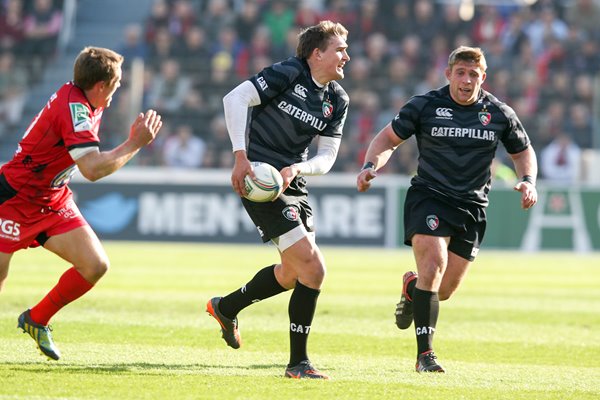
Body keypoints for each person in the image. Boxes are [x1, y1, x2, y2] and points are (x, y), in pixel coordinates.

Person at [356, 46, 538, 373]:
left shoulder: (498, 113)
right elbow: (387, 140)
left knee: (443, 290)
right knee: (434, 265)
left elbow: (523, 152)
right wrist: (371, 165)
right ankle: (425, 355)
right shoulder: (425, 105)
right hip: (430, 195)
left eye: (473, 74)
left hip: (472, 207)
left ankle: (412, 290)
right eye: (461, 73)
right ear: (448, 74)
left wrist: (528, 180)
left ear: (484, 77)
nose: (467, 80)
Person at [206, 20, 350, 380]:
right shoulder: (289, 72)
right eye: (340, 49)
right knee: (313, 269)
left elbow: (328, 156)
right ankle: (298, 363)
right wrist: (241, 157)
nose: (346, 56)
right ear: (317, 54)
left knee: (291, 274)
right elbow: (235, 98)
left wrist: (299, 168)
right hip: (258, 180)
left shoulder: (337, 99)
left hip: (292, 182)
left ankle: (226, 306)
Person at [0, 46, 163, 360]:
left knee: (95, 265)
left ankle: (36, 319)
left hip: (51, 198)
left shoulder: (88, 98)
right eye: (115, 86)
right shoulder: (75, 108)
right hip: (15, 197)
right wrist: (135, 144)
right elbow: (92, 169)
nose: (116, 94)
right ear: (101, 85)